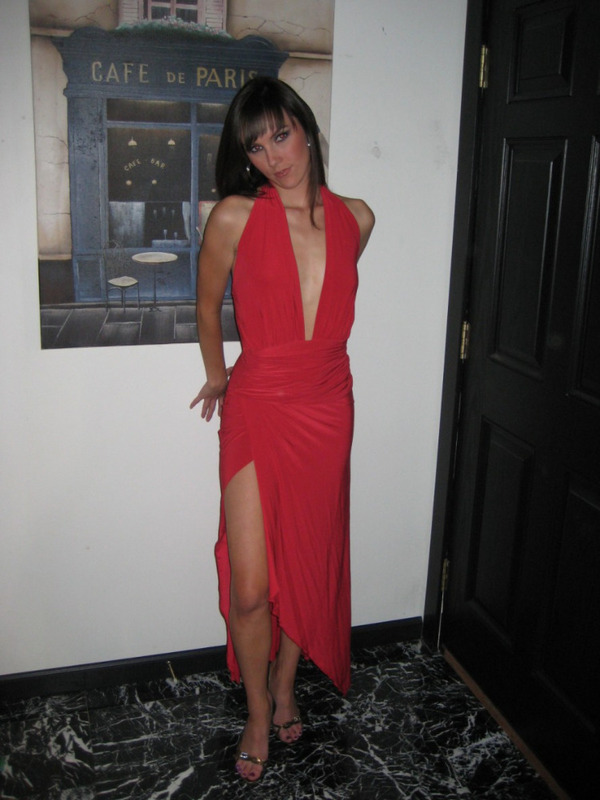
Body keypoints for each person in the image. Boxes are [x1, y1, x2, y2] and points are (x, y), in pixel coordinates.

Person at [190, 76, 374, 782]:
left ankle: (287, 684)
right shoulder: (235, 216)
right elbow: (207, 306)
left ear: (306, 127)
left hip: (327, 405)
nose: (273, 156)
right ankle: (258, 710)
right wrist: (217, 376)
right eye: (256, 147)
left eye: (281, 134)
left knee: (308, 561)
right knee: (250, 586)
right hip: (259, 403)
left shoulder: (358, 217)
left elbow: (326, 309)